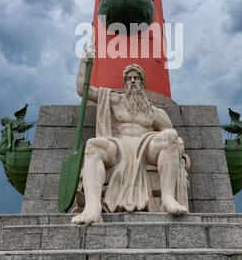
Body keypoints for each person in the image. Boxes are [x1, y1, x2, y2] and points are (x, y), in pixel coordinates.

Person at [71, 46, 189, 225]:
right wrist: (84, 61)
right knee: (93, 144)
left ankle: (167, 198)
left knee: (171, 136)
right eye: (129, 78)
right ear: (124, 82)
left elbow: (169, 134)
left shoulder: (154, 112)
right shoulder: (114, 100)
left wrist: (177, 141)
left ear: (143, 83)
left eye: (137, 78)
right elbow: (82, 89)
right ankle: (92, 208)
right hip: (118, 145)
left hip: (144, 146)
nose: (133, 81)